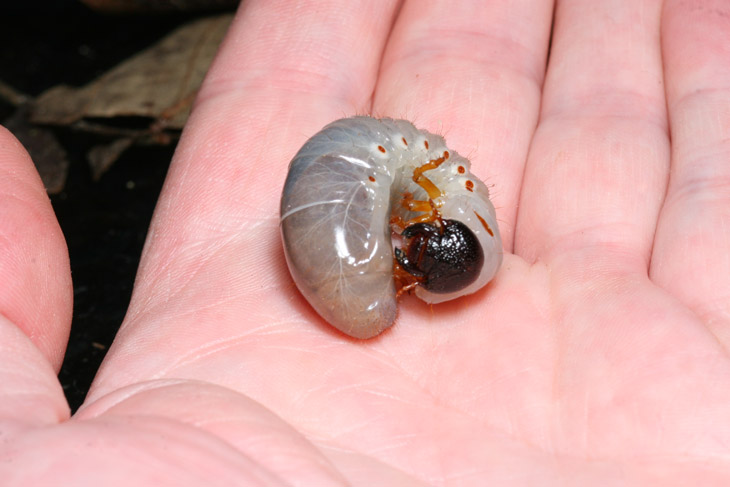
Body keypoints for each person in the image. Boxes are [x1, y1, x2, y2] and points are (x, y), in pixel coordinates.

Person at [2, 0, 729, 484]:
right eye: (411, 256)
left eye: (407, 259)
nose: (402, 267)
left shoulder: (434, 200)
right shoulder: (413, 184)